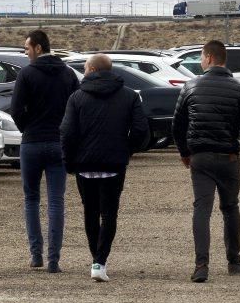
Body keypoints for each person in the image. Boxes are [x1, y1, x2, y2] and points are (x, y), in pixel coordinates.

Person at [172, 40, 240, 283]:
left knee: (201, 210)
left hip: (200, 157)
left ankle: (201, 265)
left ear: (208, 58)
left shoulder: (190, 86)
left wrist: (185, 152)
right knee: (230, 208)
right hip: (229, 158)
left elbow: (178, 124)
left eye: (202, 58)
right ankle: (234, 261)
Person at [60, 54, 149, 282]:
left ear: (90, 69)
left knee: (90, 211)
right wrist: (126, 150)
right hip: (114, 164)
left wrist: (69, 160)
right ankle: (100, 261)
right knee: (109, 213)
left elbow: (67, 133)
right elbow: (141, 130)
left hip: (84, 164)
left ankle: (96, 260)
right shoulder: (129, 96)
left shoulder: (76, 98)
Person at [11, 29, 80, 273]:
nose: (26, 52)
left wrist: (27, 128)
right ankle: (54, 260)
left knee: (31, 199)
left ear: (38, 48)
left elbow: (16, 109)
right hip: (58, 143)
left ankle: (36, 255)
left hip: (32, 143)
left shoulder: (27, 74)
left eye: (27, 48)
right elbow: (76, 109)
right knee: (56, 202)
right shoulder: (69, 74)